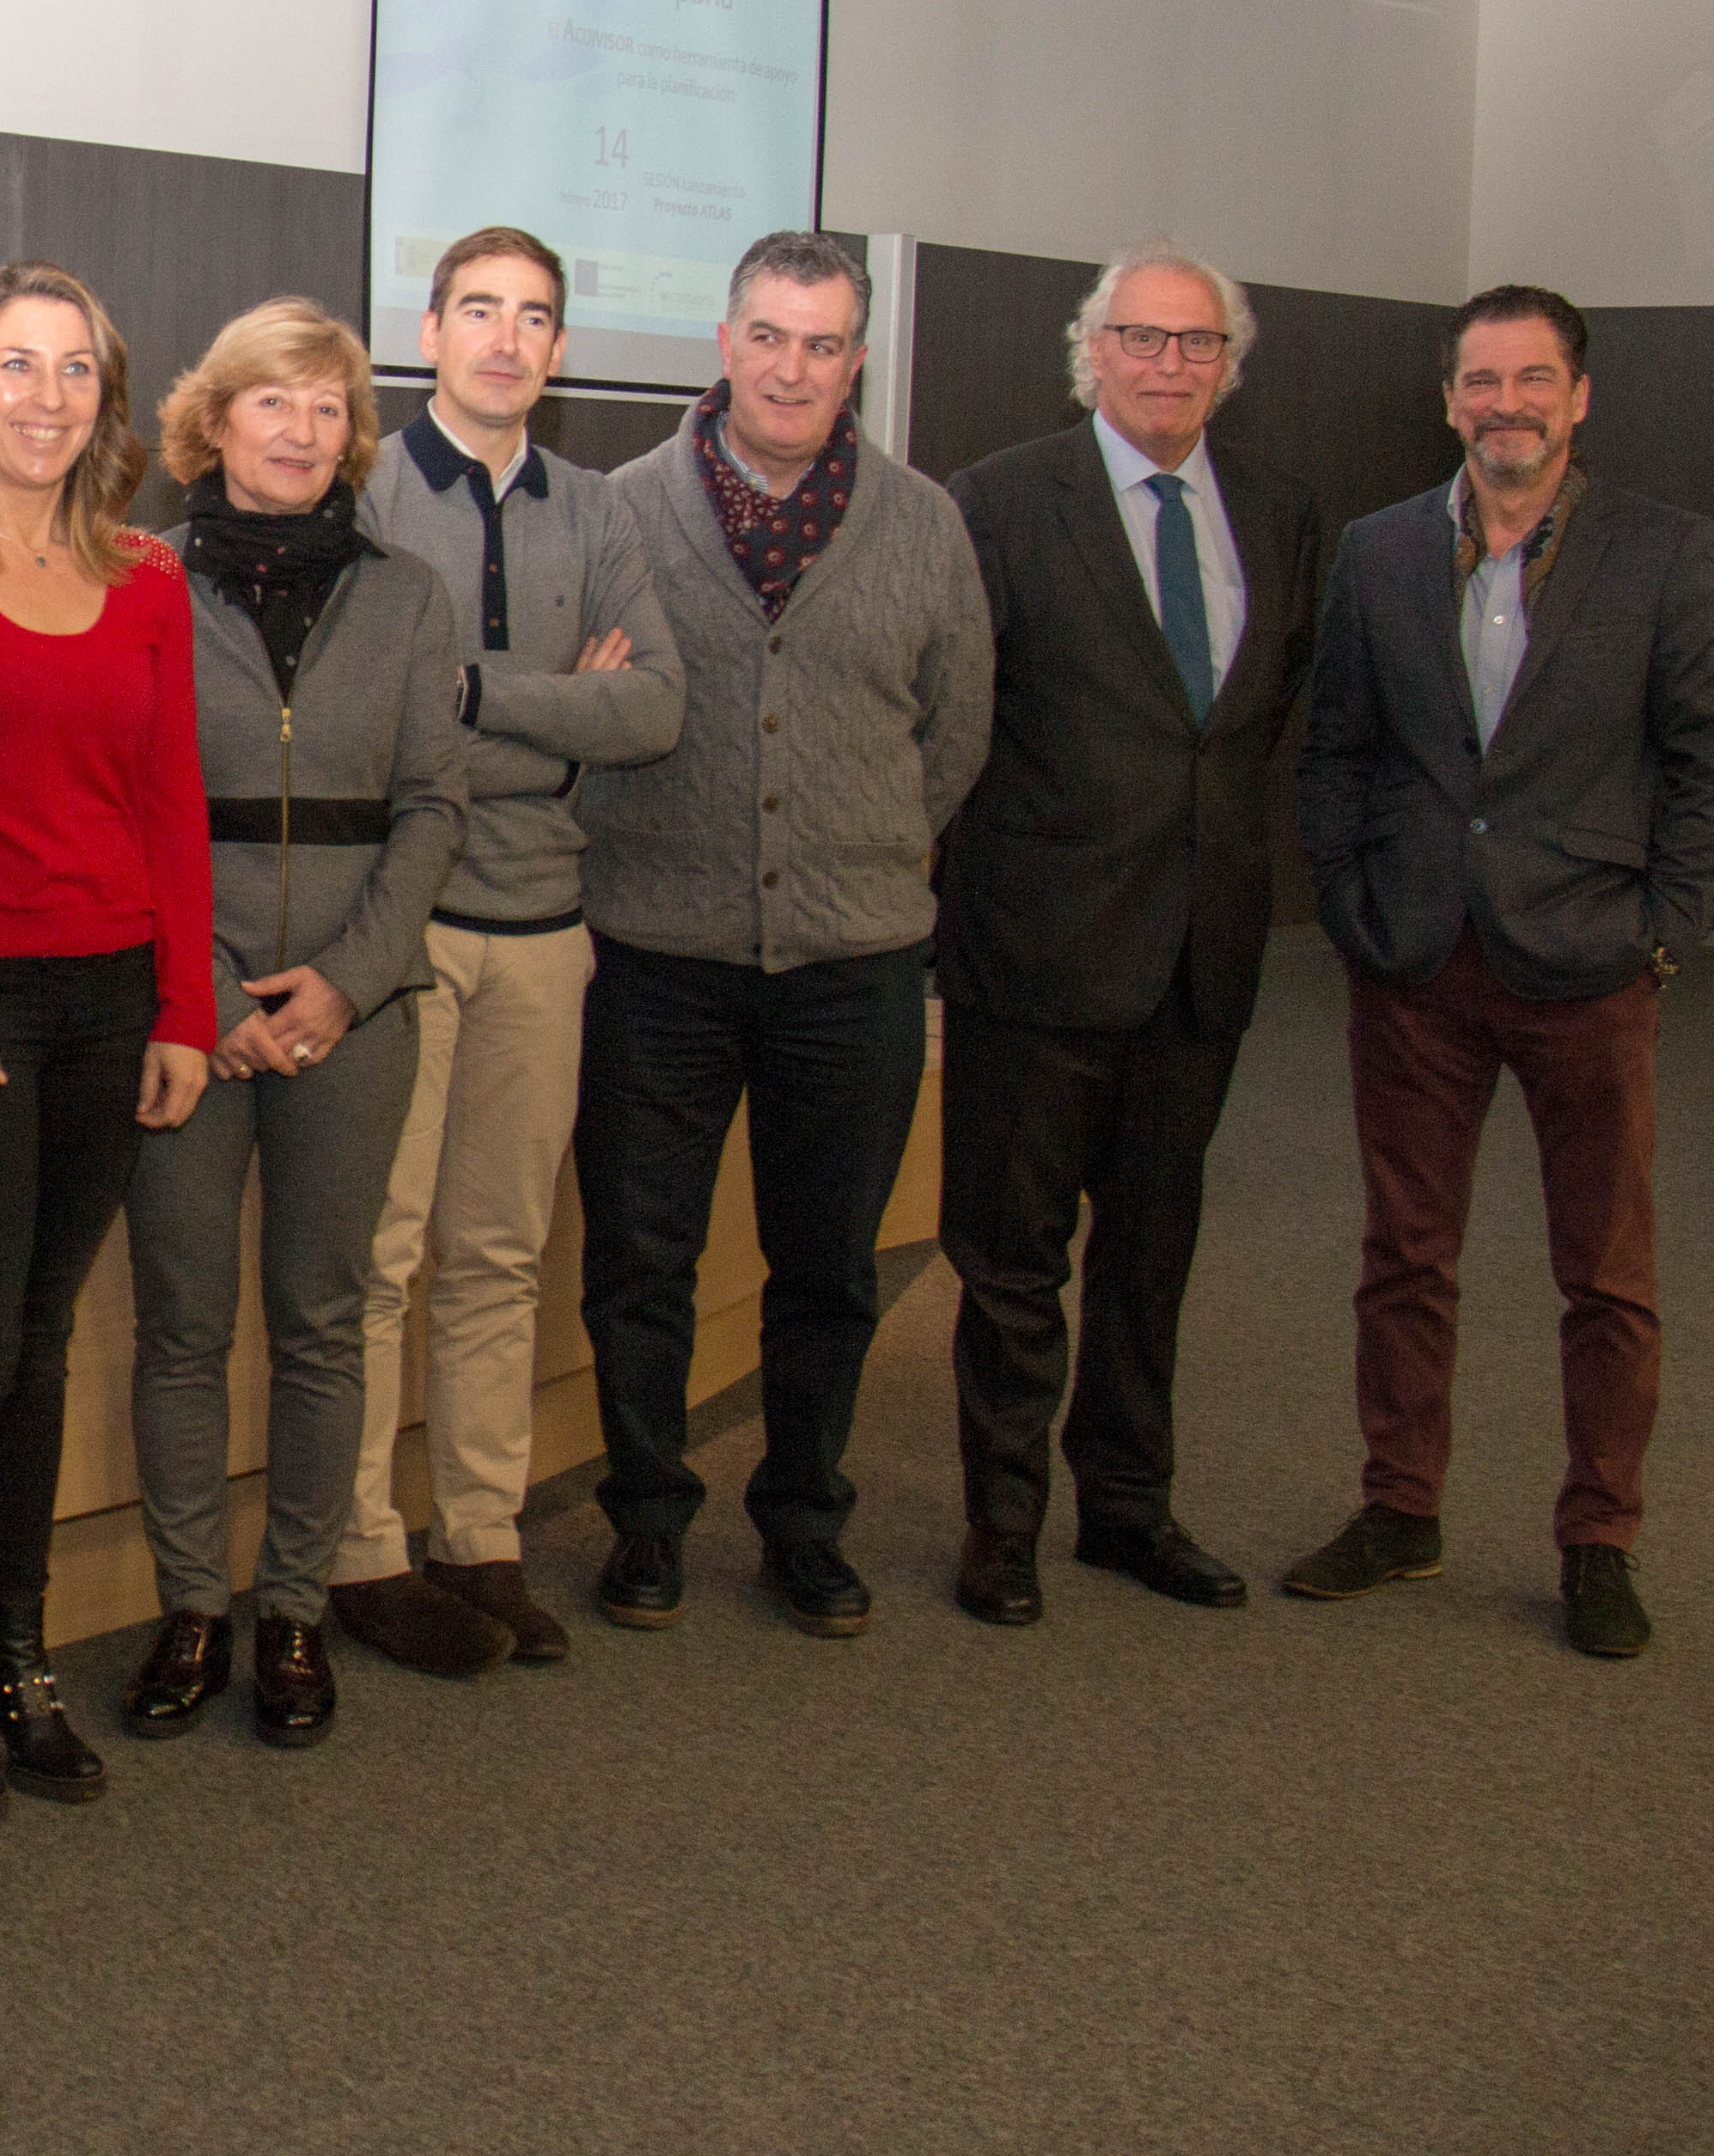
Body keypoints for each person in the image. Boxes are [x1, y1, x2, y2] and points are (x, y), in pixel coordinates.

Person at [1287, 284, 1714, 1658]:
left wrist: (1663, 933)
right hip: (1415, 961)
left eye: (1534, 379)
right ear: (1450, 402)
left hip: (1589, 965)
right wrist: (1351, 906)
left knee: (1606, 1275)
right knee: (1404, 1255)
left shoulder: (1664, 551)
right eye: (1483, 382)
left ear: (1578, 397)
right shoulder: (1379, 550)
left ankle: (1599, 1540)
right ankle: (1400, 1510)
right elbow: (1337, 749)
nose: (1508, 405)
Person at [570, 229, 991, 1639]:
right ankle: (646, 1519)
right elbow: (583, 706)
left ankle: (805, 1521)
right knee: (642, 1261)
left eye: (821, 344)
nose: (791, 369)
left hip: (853, 963)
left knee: (830, 1267)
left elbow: (956, 731)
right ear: (724, 342)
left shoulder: (923, 523)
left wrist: (854, 849)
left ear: (855, 360)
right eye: (768, 336)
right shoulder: (620, 511)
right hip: (657, 954)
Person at [936, 247, 1330, 1626]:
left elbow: (1260, 720)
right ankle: (1002, 1524)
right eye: (1143, 338)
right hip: (1036, 949)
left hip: (1199, 952)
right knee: (1013, 1261)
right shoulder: (996, 502)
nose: (1170, 364)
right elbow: (958, 722)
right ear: (1090, 352)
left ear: (1231, 363)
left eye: (1197, 342)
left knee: (1152, 1257)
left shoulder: (1279, 511)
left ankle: (1128, 1510)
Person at [0, 264, 210, 1823]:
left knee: (46, 1339)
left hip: (112, 1002)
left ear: (107, 403)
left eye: (76, 371)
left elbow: (170, 802)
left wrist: (187, 1010)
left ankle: (14, 1651)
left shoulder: (146, 576)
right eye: (16, 365)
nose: (47, 398)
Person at [120, 302, 466, 1752]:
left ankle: (295, 1612)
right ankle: (193, 1607)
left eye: (328, 408)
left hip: (355, 1010)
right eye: (273, 402)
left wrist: (347, 979)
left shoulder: (409, 596)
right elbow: (119, 798)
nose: (302, 431)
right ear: (213, 422)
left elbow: (434, 805)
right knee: (183, 1325)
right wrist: (206, 995)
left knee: (326, 1323)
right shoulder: (136, 580)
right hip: (180, 1016)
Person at [335, 228, 680, 1677]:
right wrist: (551, 704)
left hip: (547, 930)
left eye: (534, 317)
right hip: (398, 926)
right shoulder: (360, 484)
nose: (506, 339)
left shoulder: (598, 509)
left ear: (559, 347)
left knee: (500, 1254)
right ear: (429, 329)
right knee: (378, 1256)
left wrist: (471, 693)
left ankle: (481, 1535)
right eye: (479, 309)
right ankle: (359, 1548)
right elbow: (356, 710)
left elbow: (654, 710)